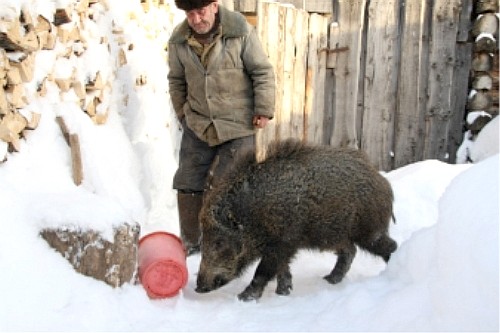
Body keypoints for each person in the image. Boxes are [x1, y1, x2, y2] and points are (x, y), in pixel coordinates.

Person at [168, 0, 276, 254]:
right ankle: (192, 244)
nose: (196, 19)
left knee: (229, 187)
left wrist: (263, 108)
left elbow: (262, 71)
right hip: (198, 123)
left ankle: (225, 248)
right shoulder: (179, 41)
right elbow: (176, 80)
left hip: (237, 124)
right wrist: (183, 114)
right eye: (190, 13)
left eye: (201, 11)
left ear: (215, 6)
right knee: (187, 181)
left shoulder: (240, 32)